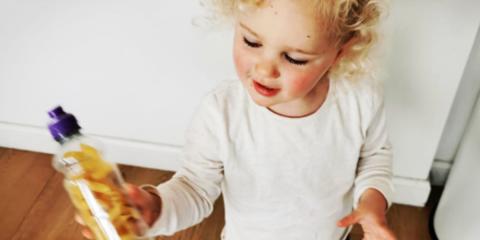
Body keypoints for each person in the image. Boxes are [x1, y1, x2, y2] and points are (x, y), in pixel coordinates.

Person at [77, 0, 396, 239]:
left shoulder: (359, 99)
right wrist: (155, 208)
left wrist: (372, 202)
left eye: (295, 58)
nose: (264, 69)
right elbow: (195, 188)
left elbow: (374, 158)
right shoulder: (222, 112)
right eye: (251, 42)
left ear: (340, 53)